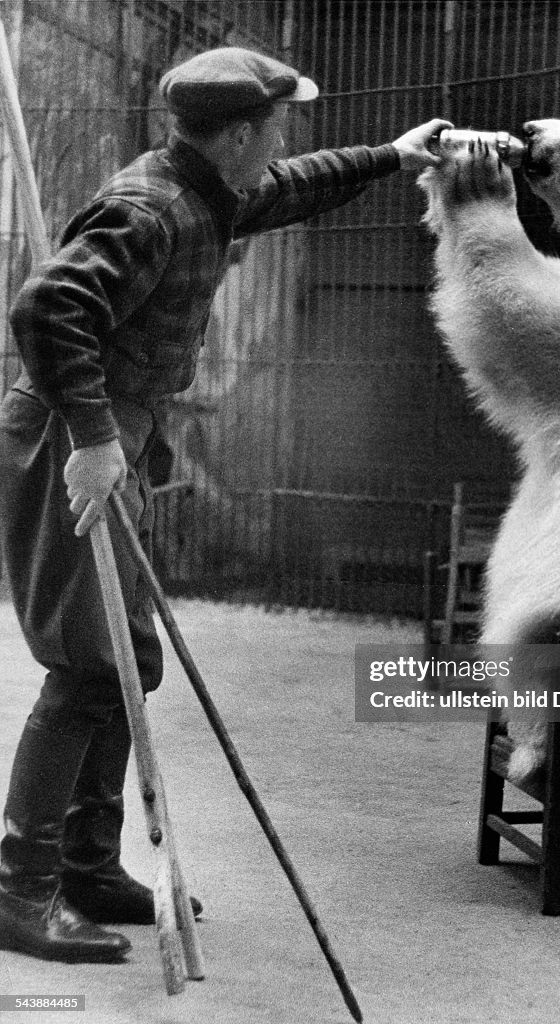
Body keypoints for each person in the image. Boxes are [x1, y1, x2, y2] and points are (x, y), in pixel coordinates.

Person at [0, 45, 449, 963]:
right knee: (90, 663)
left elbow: (292, 188)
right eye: (276, 124)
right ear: (240, 130)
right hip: (66, 437)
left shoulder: (209, 184)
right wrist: (92, 439)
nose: (285, 140)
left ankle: (86, 868)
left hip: (112, 429)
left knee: (128, 659)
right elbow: (46, 310)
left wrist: (393, 158)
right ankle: (19, 892)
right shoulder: (152, 207)